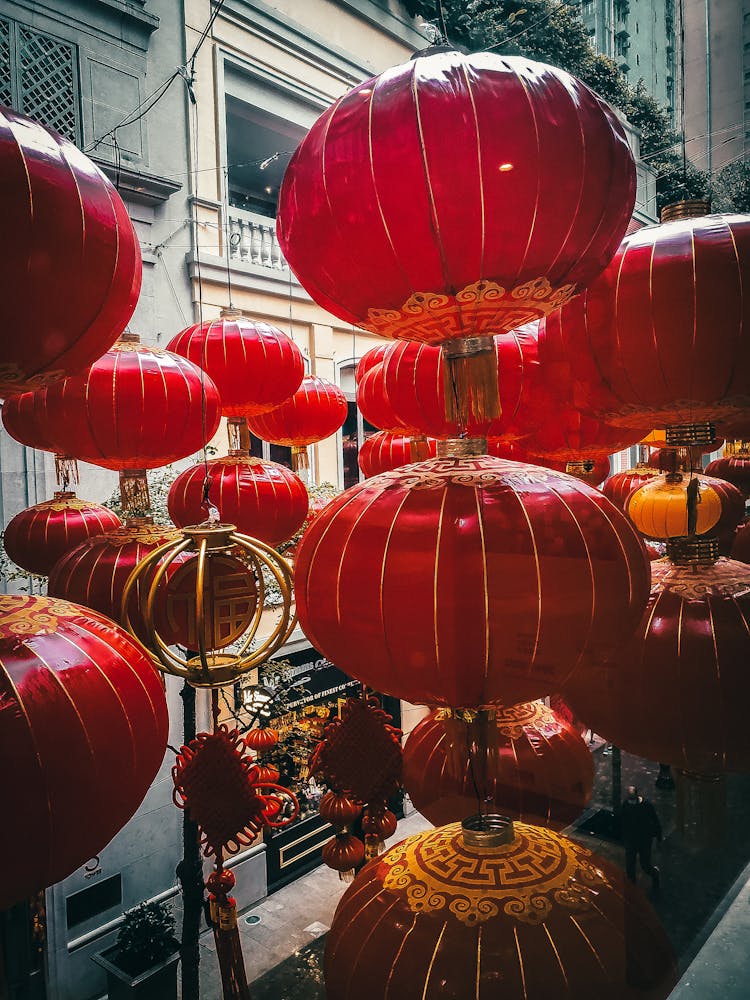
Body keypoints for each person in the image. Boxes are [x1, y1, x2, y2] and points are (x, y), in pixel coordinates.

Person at [621, 784, 662, 891]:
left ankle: (654, 873)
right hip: (631, 840)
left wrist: (658, 837)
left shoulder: (646, 805)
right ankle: (632, 887)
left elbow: (655, 820)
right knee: (630, 865)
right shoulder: (626, 805)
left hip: (644, 840)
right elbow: (623, 822)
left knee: (645, 865)